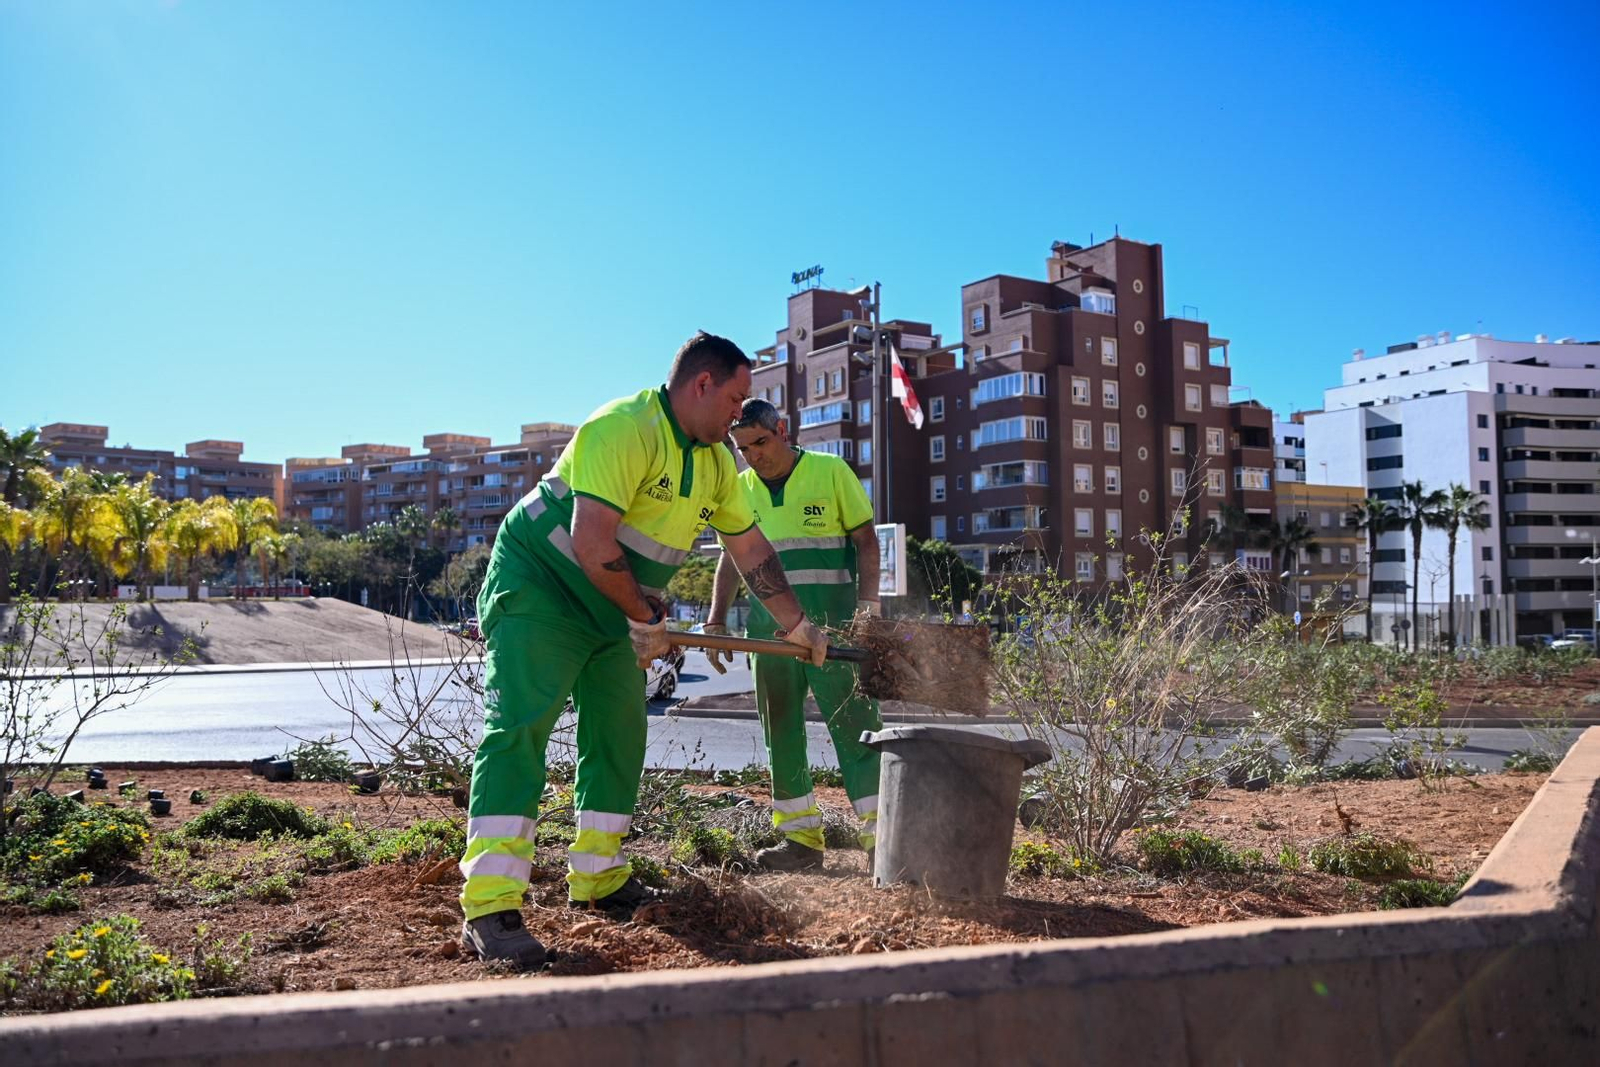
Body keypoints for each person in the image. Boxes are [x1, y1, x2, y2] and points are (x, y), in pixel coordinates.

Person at [459, 333, 830, 969]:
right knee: (519, 729)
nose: (739, 417)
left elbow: (751, 552)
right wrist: (646, 617)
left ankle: (600, 878)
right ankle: (490, 906)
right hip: (541, 586)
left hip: (615, 603)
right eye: (736, 399)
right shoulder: (621, 429)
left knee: (620, 733)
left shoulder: (715, 463)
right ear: (702, 384)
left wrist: (797, 625)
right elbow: (592, 540)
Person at [705, 398, 881, 872]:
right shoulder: (738, 488)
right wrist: (716, 619)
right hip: (769, 635)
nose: (754, 455)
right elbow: (730, 556)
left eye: (760, 442)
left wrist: (869, 609)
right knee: (780, 732)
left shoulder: (830, 470)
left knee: (858, 729)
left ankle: (882, 837)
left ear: (782, 429)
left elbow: (866, 540)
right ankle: (801, 842)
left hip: (837, 632)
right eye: (743, 449)